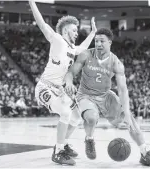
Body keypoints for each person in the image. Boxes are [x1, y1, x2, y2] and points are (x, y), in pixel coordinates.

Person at [64, 28, 150, 168]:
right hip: (85, 95)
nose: (98, 43)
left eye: (102, 41)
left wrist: (127, 114)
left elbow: (123, 90)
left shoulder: (116, 63)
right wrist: (68, 82)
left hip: (105, 95)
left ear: (109, 42)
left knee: (131, 122)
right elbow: (70, 72)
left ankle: (145, 153)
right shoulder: (85, 54)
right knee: (91, 117)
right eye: (96, 40)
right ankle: (89, 139)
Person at [29, 0, 97, 166]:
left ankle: (63, 144)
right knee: (66, 113)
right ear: (66, 30)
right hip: (45, 87)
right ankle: (58, 152)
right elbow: (42, 23)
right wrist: (31, 2)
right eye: (74, 30)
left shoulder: (71, 48)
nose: (76, 33)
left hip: (59, 90)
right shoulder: (57, 39)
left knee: (76, 116)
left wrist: (93, 33)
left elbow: (82, 48)